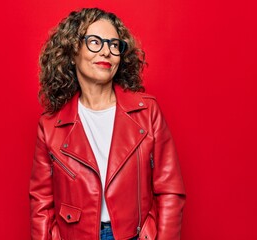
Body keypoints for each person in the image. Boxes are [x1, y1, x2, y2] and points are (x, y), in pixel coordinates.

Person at [29, 8, 186, 240]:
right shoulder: (51, 126)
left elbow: (170, 189)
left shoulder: (147, 112)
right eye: (95, 42)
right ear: (72, 52)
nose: (106, 51)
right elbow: (41, 203)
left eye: (114, 45)